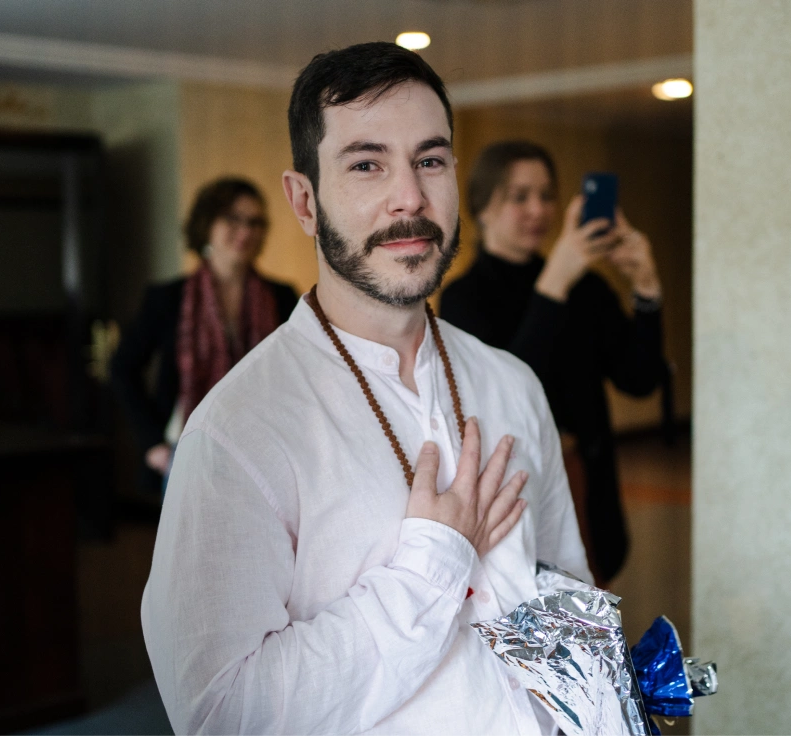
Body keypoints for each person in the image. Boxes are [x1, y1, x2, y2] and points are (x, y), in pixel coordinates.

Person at [142, 43, 592, 736]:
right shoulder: (235, 433)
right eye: (366, 164)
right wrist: (434, 561)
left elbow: (567, 598)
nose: (410, 196)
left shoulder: (512, 384)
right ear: (304, 201)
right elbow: (223, 714)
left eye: (430, 160)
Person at [440, 141, 667, 585]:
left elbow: (639, 380)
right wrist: (555, 281)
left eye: (546, 195)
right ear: (483, 208)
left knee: (591, 606)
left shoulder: (586, 289)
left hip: (589, 482)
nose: (538, 210)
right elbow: (503, 396)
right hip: (515, 492)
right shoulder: (464, 298)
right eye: (519, 196)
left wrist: (646, 287)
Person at [111, 177, 299, 492]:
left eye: (255, 222)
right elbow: (122, 368)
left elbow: (299, 374)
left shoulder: (282, 297)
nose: (245, 231)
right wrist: (153, 445)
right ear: (206, 223)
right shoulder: (168, 299)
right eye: (233, 219)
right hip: (187, 453)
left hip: (267, 453)